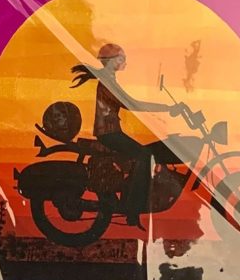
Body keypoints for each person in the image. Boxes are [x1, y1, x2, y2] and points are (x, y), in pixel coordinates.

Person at [70, 43, 183, 229]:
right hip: (108, 134)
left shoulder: (109, 79)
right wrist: (167, 108)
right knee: (145, 156)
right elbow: (132, 104)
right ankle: (132, 209)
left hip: (112, 132)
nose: (125, 62)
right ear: (111, 61)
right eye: (121, 58)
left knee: (142, 154)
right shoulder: (107, 82)